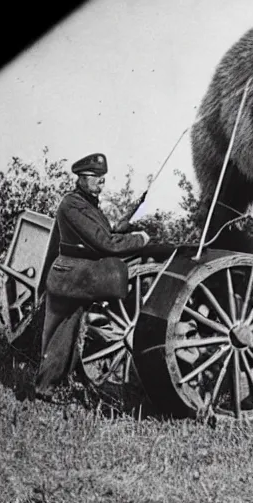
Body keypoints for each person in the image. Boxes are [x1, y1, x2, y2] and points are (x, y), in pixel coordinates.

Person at [34, 153, 151, 401]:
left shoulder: (87, 204)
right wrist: (138, 240)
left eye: (103, 178)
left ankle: (54, 384)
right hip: (70, 276)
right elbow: (104, 243)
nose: (101, 182)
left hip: (78, 274)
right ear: (81, 178)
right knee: (60, 334)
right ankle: (45, 388)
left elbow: (102, 234)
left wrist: (121, 230)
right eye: (96, 177)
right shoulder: (72, 205)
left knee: (68, 331)